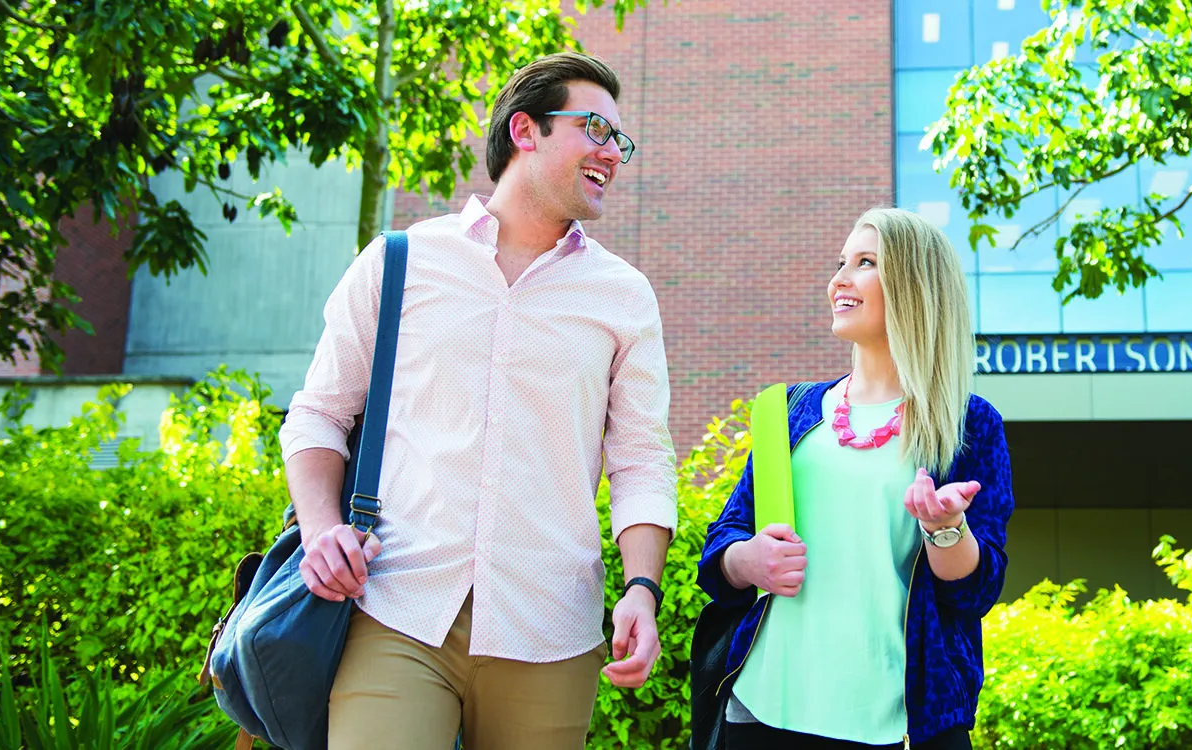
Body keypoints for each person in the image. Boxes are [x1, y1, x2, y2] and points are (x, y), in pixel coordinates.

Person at [279, 52, 677, 750]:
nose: (612, 152)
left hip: (549, 629)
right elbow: (319, 412)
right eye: (595, 128)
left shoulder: (623, 295)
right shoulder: (398, 262)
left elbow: (642, 460)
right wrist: (320, 531)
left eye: (619, 139)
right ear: (526, 130)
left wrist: (642, 588)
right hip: (395, 608)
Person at [697, 207, 1014, 750]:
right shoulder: (790, 409)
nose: (839, 278)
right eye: (841, 261)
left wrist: (945, 529)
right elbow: (723, 545)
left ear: (916, 286)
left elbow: (976, 592)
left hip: (897, 723)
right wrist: (746, 559)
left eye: (865, 262)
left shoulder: (967, 423)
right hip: (761, 710)